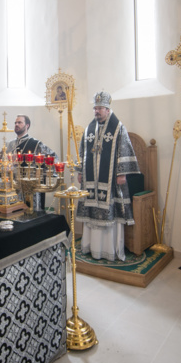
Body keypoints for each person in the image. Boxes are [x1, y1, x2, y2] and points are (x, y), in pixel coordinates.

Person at [76, 91, 139, 261]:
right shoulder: (89, 128)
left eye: (100, 108)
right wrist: (80, 171)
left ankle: (109, 250)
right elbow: (82, 151)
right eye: (95, 108)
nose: (96, 111)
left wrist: (122, 173)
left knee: (111, 212)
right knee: (90, 210)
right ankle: (90, 247)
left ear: (108, 109)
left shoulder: (118, 128)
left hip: (111, 180)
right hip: (91, 180)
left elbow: (124, 149)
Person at [6, 114, 58, 211]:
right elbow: (2, 162)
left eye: (20, 122)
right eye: (15, 123)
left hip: (31, 186)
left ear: (27, 125)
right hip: (13, 186)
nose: (16, 124)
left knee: (32, 213)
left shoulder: (36, 143)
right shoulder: (10, 144)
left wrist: (28, 159)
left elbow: (52, 157)